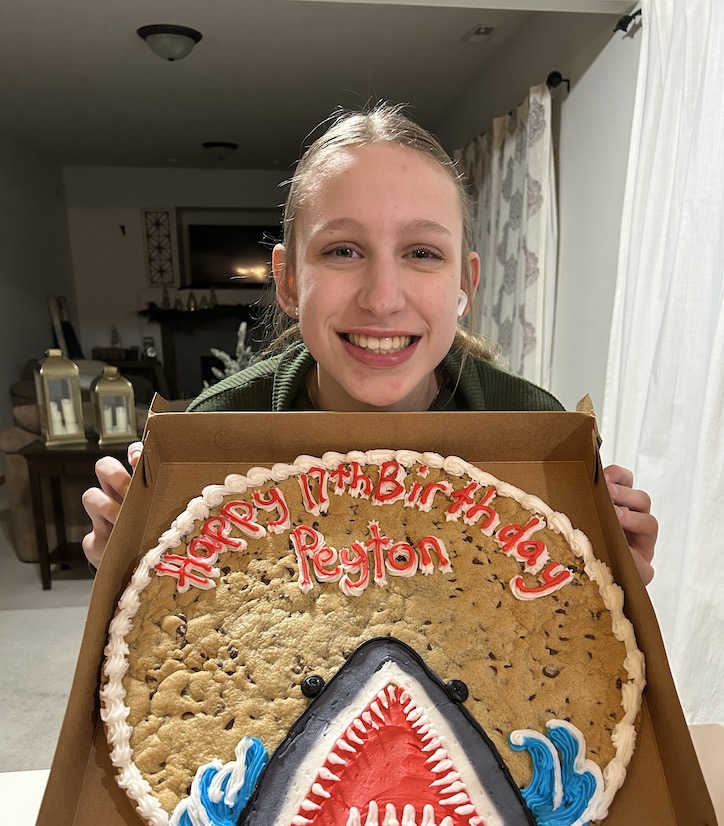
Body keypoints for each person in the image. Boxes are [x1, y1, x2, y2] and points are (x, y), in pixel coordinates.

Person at [83, 103, 656, 581]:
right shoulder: (217, 434)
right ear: (286, 281)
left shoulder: (535, 433)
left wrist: (611, 574)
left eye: (422, 253)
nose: (382, 299)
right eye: (343, 251)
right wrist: (130, 568)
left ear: (466, 284)